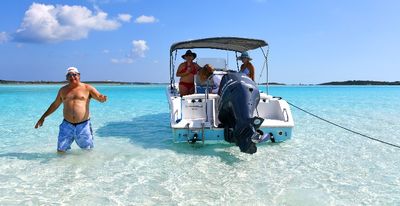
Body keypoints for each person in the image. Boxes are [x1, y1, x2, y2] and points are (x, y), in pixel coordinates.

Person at [35, 67, 107, 153]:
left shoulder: (88, 88)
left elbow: (99, 97)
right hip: (67, 125)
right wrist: (43, 117)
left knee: (87, 152)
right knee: (61, 151)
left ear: (79, 76)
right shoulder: (63, 90)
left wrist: (102, 98)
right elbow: (55, 105)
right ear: (66, 78)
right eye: (69, 75)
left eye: (74, 75)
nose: (72, 77)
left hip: (83, 126)